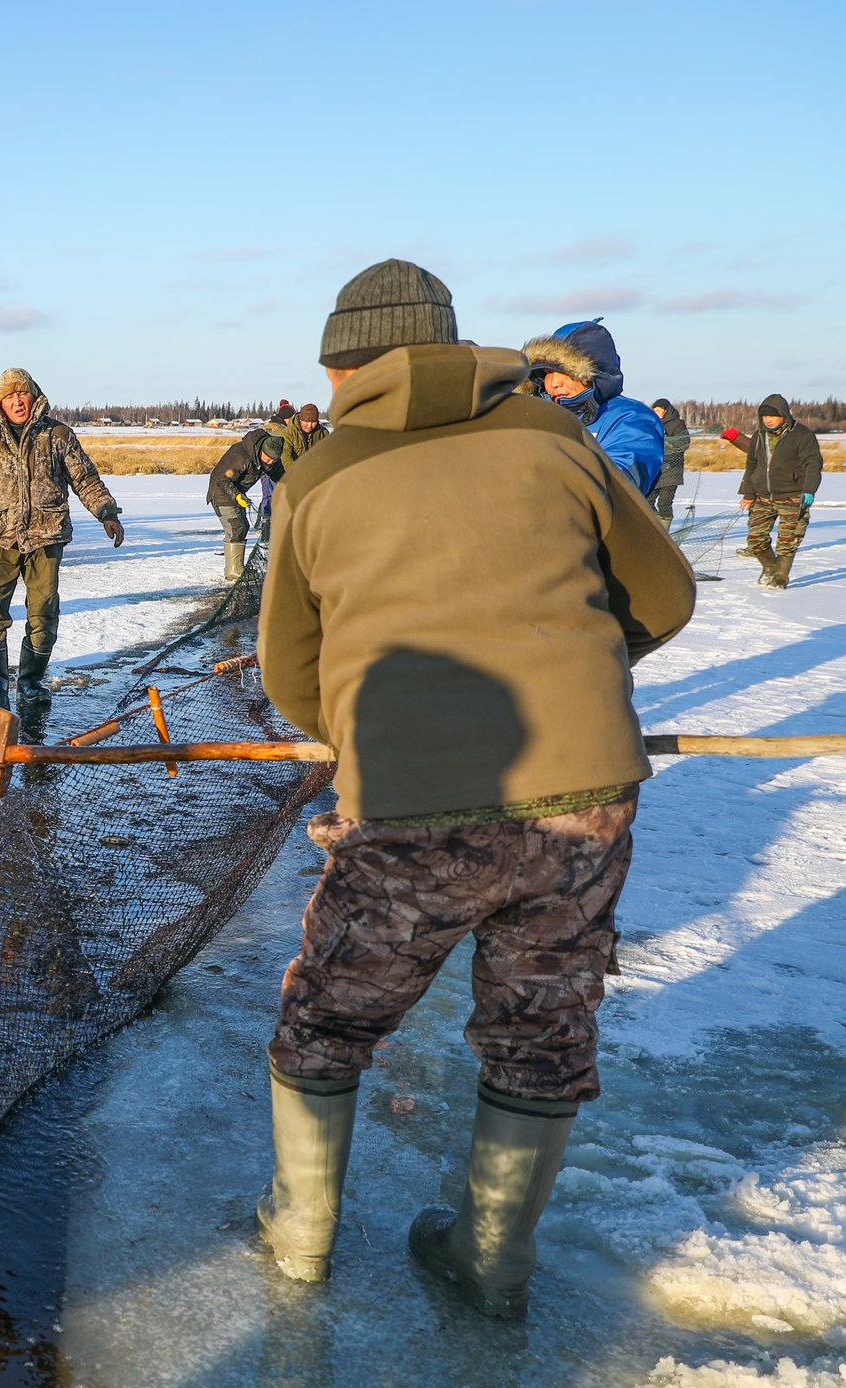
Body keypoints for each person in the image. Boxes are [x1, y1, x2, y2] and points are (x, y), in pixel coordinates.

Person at [256, 259, 696, 1319]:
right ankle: (493, 1263)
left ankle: (301, 1236)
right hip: (585, 786)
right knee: (541, 1024)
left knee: (328, 1016)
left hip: (410, 800)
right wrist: (580, 672)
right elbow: (664, 596)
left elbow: (289, 674)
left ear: (344, 364)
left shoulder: (318, 474)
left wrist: (369, 736)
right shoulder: (556, 437)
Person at [0, 368, 126, 710]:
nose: (17, 401)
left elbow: (85, 479)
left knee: (44, 613)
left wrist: (107, 513)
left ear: (35, 397)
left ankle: (31, 682)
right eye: (10, 396)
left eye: (23, 394)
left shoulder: (58, 435)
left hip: (45, 537)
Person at [521, 319, 666, 496]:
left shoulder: (632, 419)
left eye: (565, 372)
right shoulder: (535, 420)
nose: (554, 383)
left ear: (595, 373)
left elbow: (619, 486)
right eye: (547, 373)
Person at [724, 395, 824, 588]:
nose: (768, 420)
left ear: (783, 415)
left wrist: (809, 490)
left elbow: (813, 464)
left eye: (773, 416)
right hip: (763, 495)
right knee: (755, 539)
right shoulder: (759, 436)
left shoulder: (802, 435)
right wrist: (748, 493)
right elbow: (752, 465)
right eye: (764, 416)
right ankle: (770, 567)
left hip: (793, 495)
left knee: (788, 539)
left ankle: (780, 577)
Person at [205, 428, 282, 582]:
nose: (270, 462)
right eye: (267, 459)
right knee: (236, 528)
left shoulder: (271, 456)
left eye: (273, 460)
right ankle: (233, 572)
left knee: (243, 527)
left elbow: (282, 476)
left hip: (238, 492)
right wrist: (237, 496)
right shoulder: (240, 456)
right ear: (261, 451)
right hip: (221, 492)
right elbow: (222, 480)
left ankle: (236, 567)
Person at [649, 398, 691, 522]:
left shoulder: (677, 424)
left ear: (666, 411)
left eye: (658, 410)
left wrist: (667, 442)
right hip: (656, 470)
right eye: (654, 411)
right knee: (647, 500)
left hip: (672, 469)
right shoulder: (653, 424)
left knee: (664, 503)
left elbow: (684, 442)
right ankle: (656, 526)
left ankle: (664, 528)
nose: (656, 413)